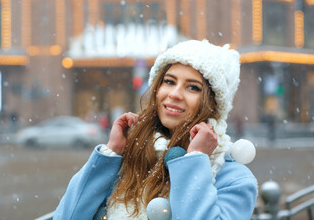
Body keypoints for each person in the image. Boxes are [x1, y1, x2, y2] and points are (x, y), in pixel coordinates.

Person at [54, 40, 258, 220]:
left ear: (213, 104)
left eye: (193, 87)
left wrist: (195, 160)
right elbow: (67, 217)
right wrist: (112, 152)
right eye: (169, 81)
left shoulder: (233, 179)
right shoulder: (127, 160)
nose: (175, 94)